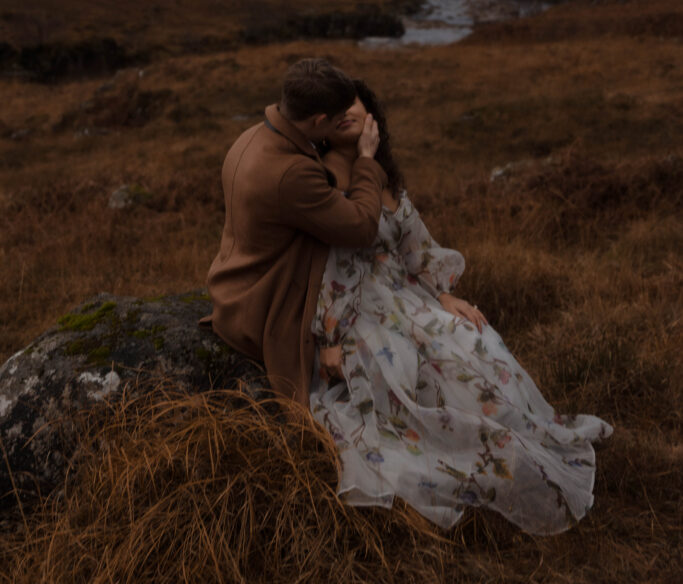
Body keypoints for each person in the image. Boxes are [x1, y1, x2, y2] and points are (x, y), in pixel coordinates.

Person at [309, 78, 613, 535]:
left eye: (352, 101)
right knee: (419, 374)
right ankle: (467, 465)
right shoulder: (325, 176)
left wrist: (444, 293)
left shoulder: (384, 175)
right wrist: (329, 340)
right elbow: (328, 265)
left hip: (408, 298)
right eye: (334, 108)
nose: (345, 111)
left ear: (369, 112)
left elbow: (414, 248)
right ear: (323, 125)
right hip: (359, 311)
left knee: (476, 340)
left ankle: (524, 444)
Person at [202, 58, 387, 405]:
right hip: (262, 307)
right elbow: (361, 227)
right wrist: (365, 161)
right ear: (319, 121)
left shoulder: (252, 136)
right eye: (335, 120)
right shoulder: (292, 173)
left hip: (233, 288)